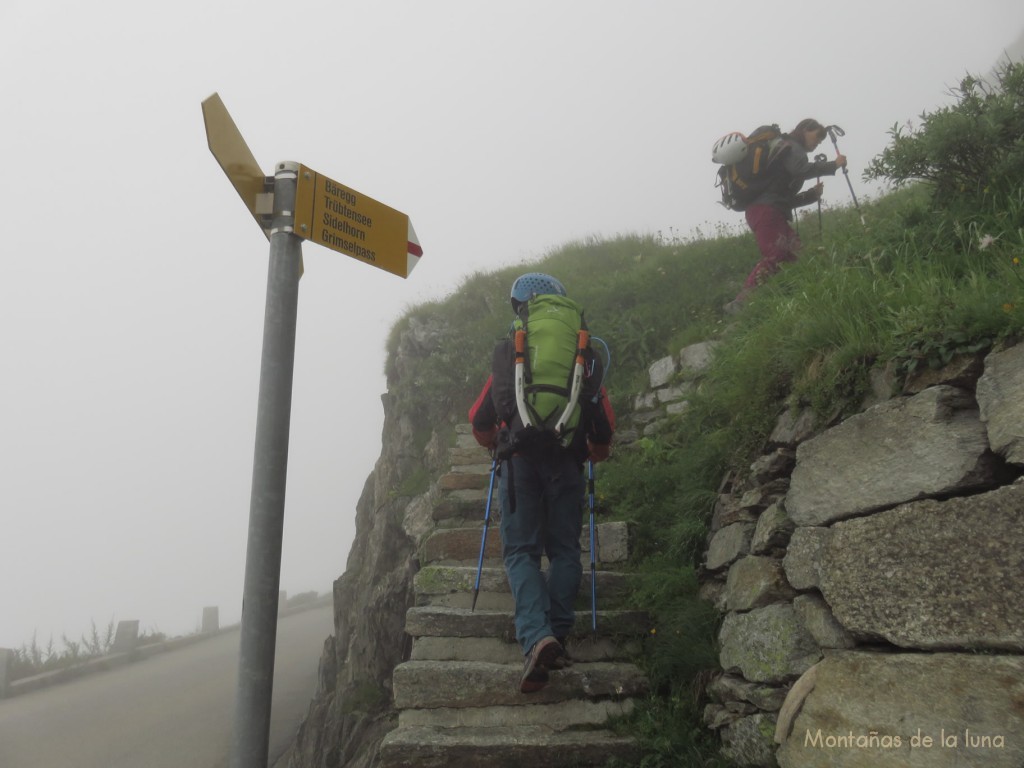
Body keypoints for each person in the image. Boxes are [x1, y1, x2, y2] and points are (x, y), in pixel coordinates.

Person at [468, 273, 615, 694]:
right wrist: (584, 450)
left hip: (519, 464)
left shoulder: (512, 352)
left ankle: (536, 637)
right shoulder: (584, 355)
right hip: (567, 465)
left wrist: (501, 441)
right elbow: (603, 435)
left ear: (521, 309)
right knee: (565, 551)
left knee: (521, 553)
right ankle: (557, 633)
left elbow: (479, 420)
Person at [728, 118, 848, 309]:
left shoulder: (785, 150)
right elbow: (800, 169)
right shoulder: (793, 146)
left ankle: (801, 299)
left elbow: (782, 199)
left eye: (821, 140)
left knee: (797, 255)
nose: (818, 142)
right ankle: (741, 304)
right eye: (817, 136)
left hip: (767, 211)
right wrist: (833, 165)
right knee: (776, 254)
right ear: (805, 130)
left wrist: (810, 196)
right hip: (765, 212)